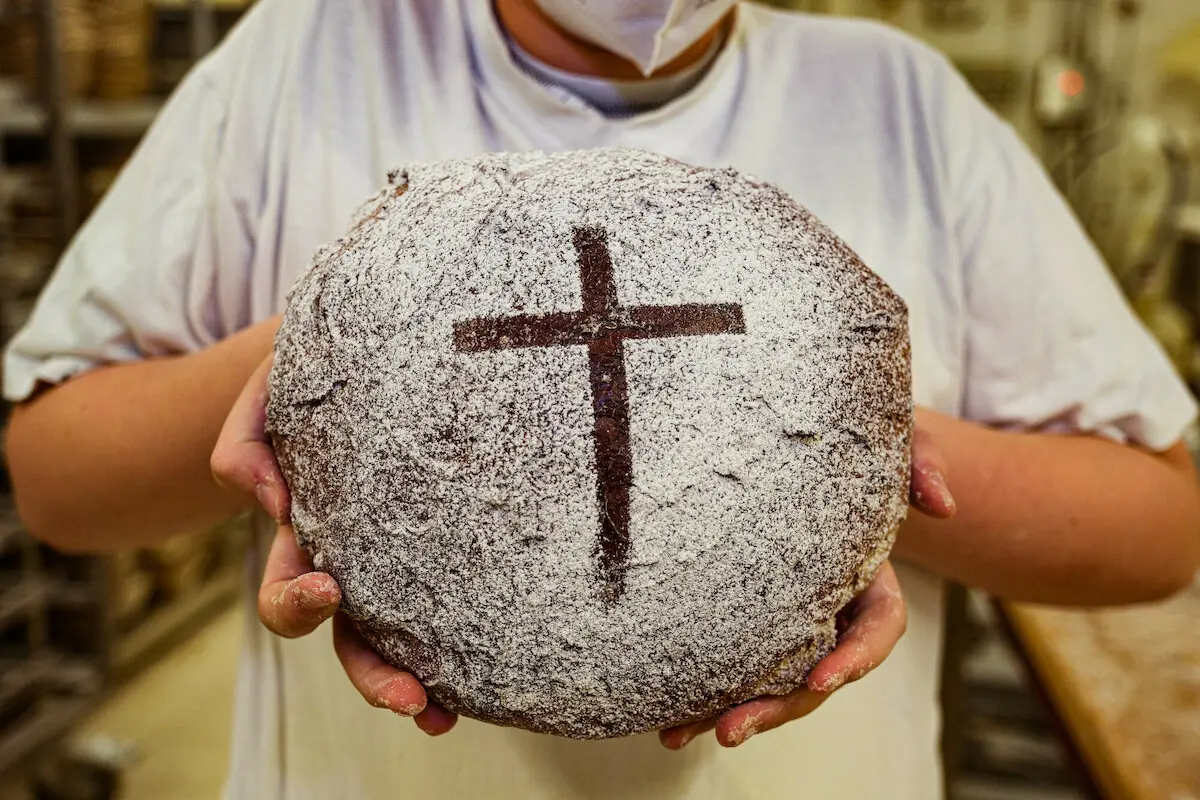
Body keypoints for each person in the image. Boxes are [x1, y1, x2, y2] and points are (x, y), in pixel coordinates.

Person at [5, 0, 1199, 797]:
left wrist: (856, 467)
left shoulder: (901, 98)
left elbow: (1160, 526)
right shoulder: (308, 49)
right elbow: (55, 476)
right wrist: (320, 365)